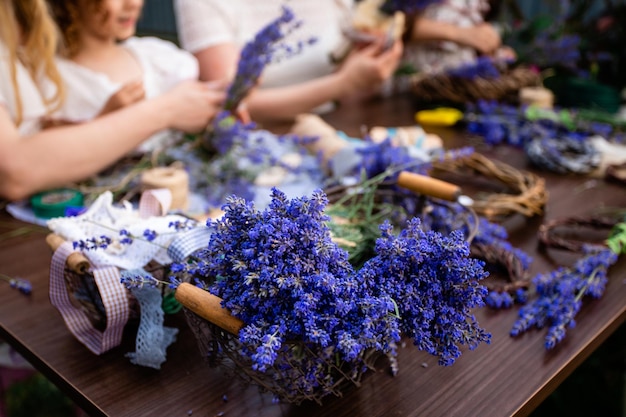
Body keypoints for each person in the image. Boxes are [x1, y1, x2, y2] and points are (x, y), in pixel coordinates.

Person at [0, 0, 225, 202]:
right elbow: (27, 159)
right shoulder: (51, 81)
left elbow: (204, 102)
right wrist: (113, 117)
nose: (133, 4)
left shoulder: (159, 57)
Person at [173, 0, 404, 123]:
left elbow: (342, 67)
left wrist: (372, 56)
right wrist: (344, 83)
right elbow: (230, 104)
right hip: (253, 145)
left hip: (336, 130)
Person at [48, 0, 219, 154]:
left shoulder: (158, 57)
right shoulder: (56, 82)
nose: (134, 4)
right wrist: (106, 120)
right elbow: (51, 154)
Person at [404, 0, 514, 74]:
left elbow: (472, 46)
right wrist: (460, 33)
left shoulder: (485, 5)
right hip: (411, 87)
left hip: (458, 90)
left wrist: (494, 54)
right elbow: (395, 23)